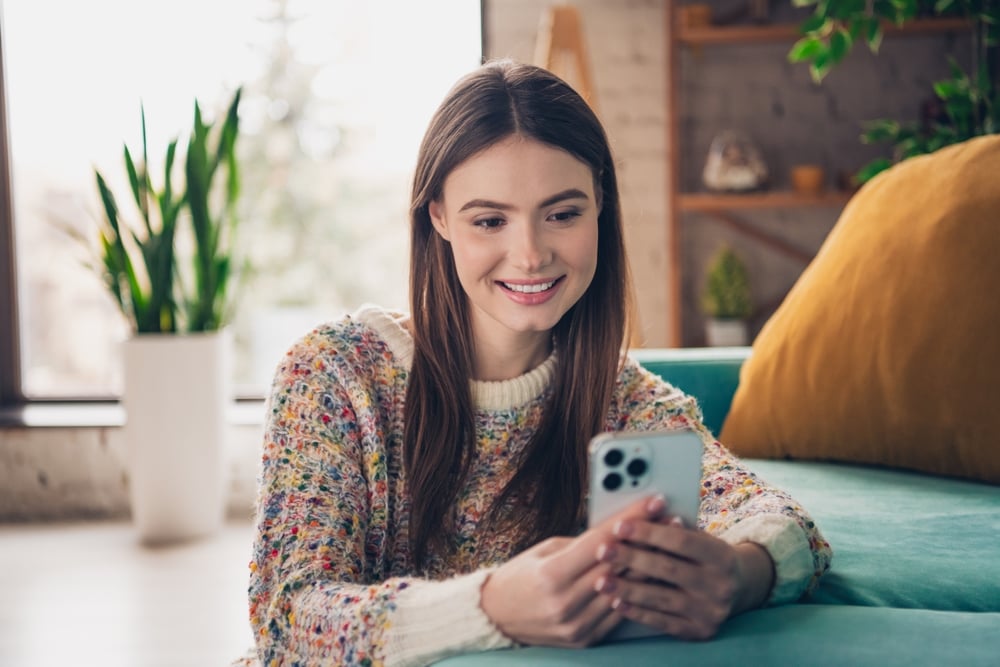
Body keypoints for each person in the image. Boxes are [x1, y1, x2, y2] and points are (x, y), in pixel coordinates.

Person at [234, 59, 832, 667]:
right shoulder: (334, 375)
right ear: (438, 216)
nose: (530, 255)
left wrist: (739, 574)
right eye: (490, 220)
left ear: (600, 201)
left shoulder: (625, 402)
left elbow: (784, 525)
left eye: (562, 214)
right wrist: (489, 606)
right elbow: (288, 618)